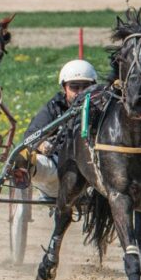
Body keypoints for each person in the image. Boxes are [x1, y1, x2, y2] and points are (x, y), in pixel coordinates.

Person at [15, 58, 98, 197]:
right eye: (74, 87)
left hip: (92, 172)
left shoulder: (102, 108)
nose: (81, 92)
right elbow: (31, 134)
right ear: (64, 87)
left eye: (86, 87)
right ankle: (21, 218)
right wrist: (42, 145)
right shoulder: (54, 107)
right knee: (22, 159)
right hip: (57, 168)